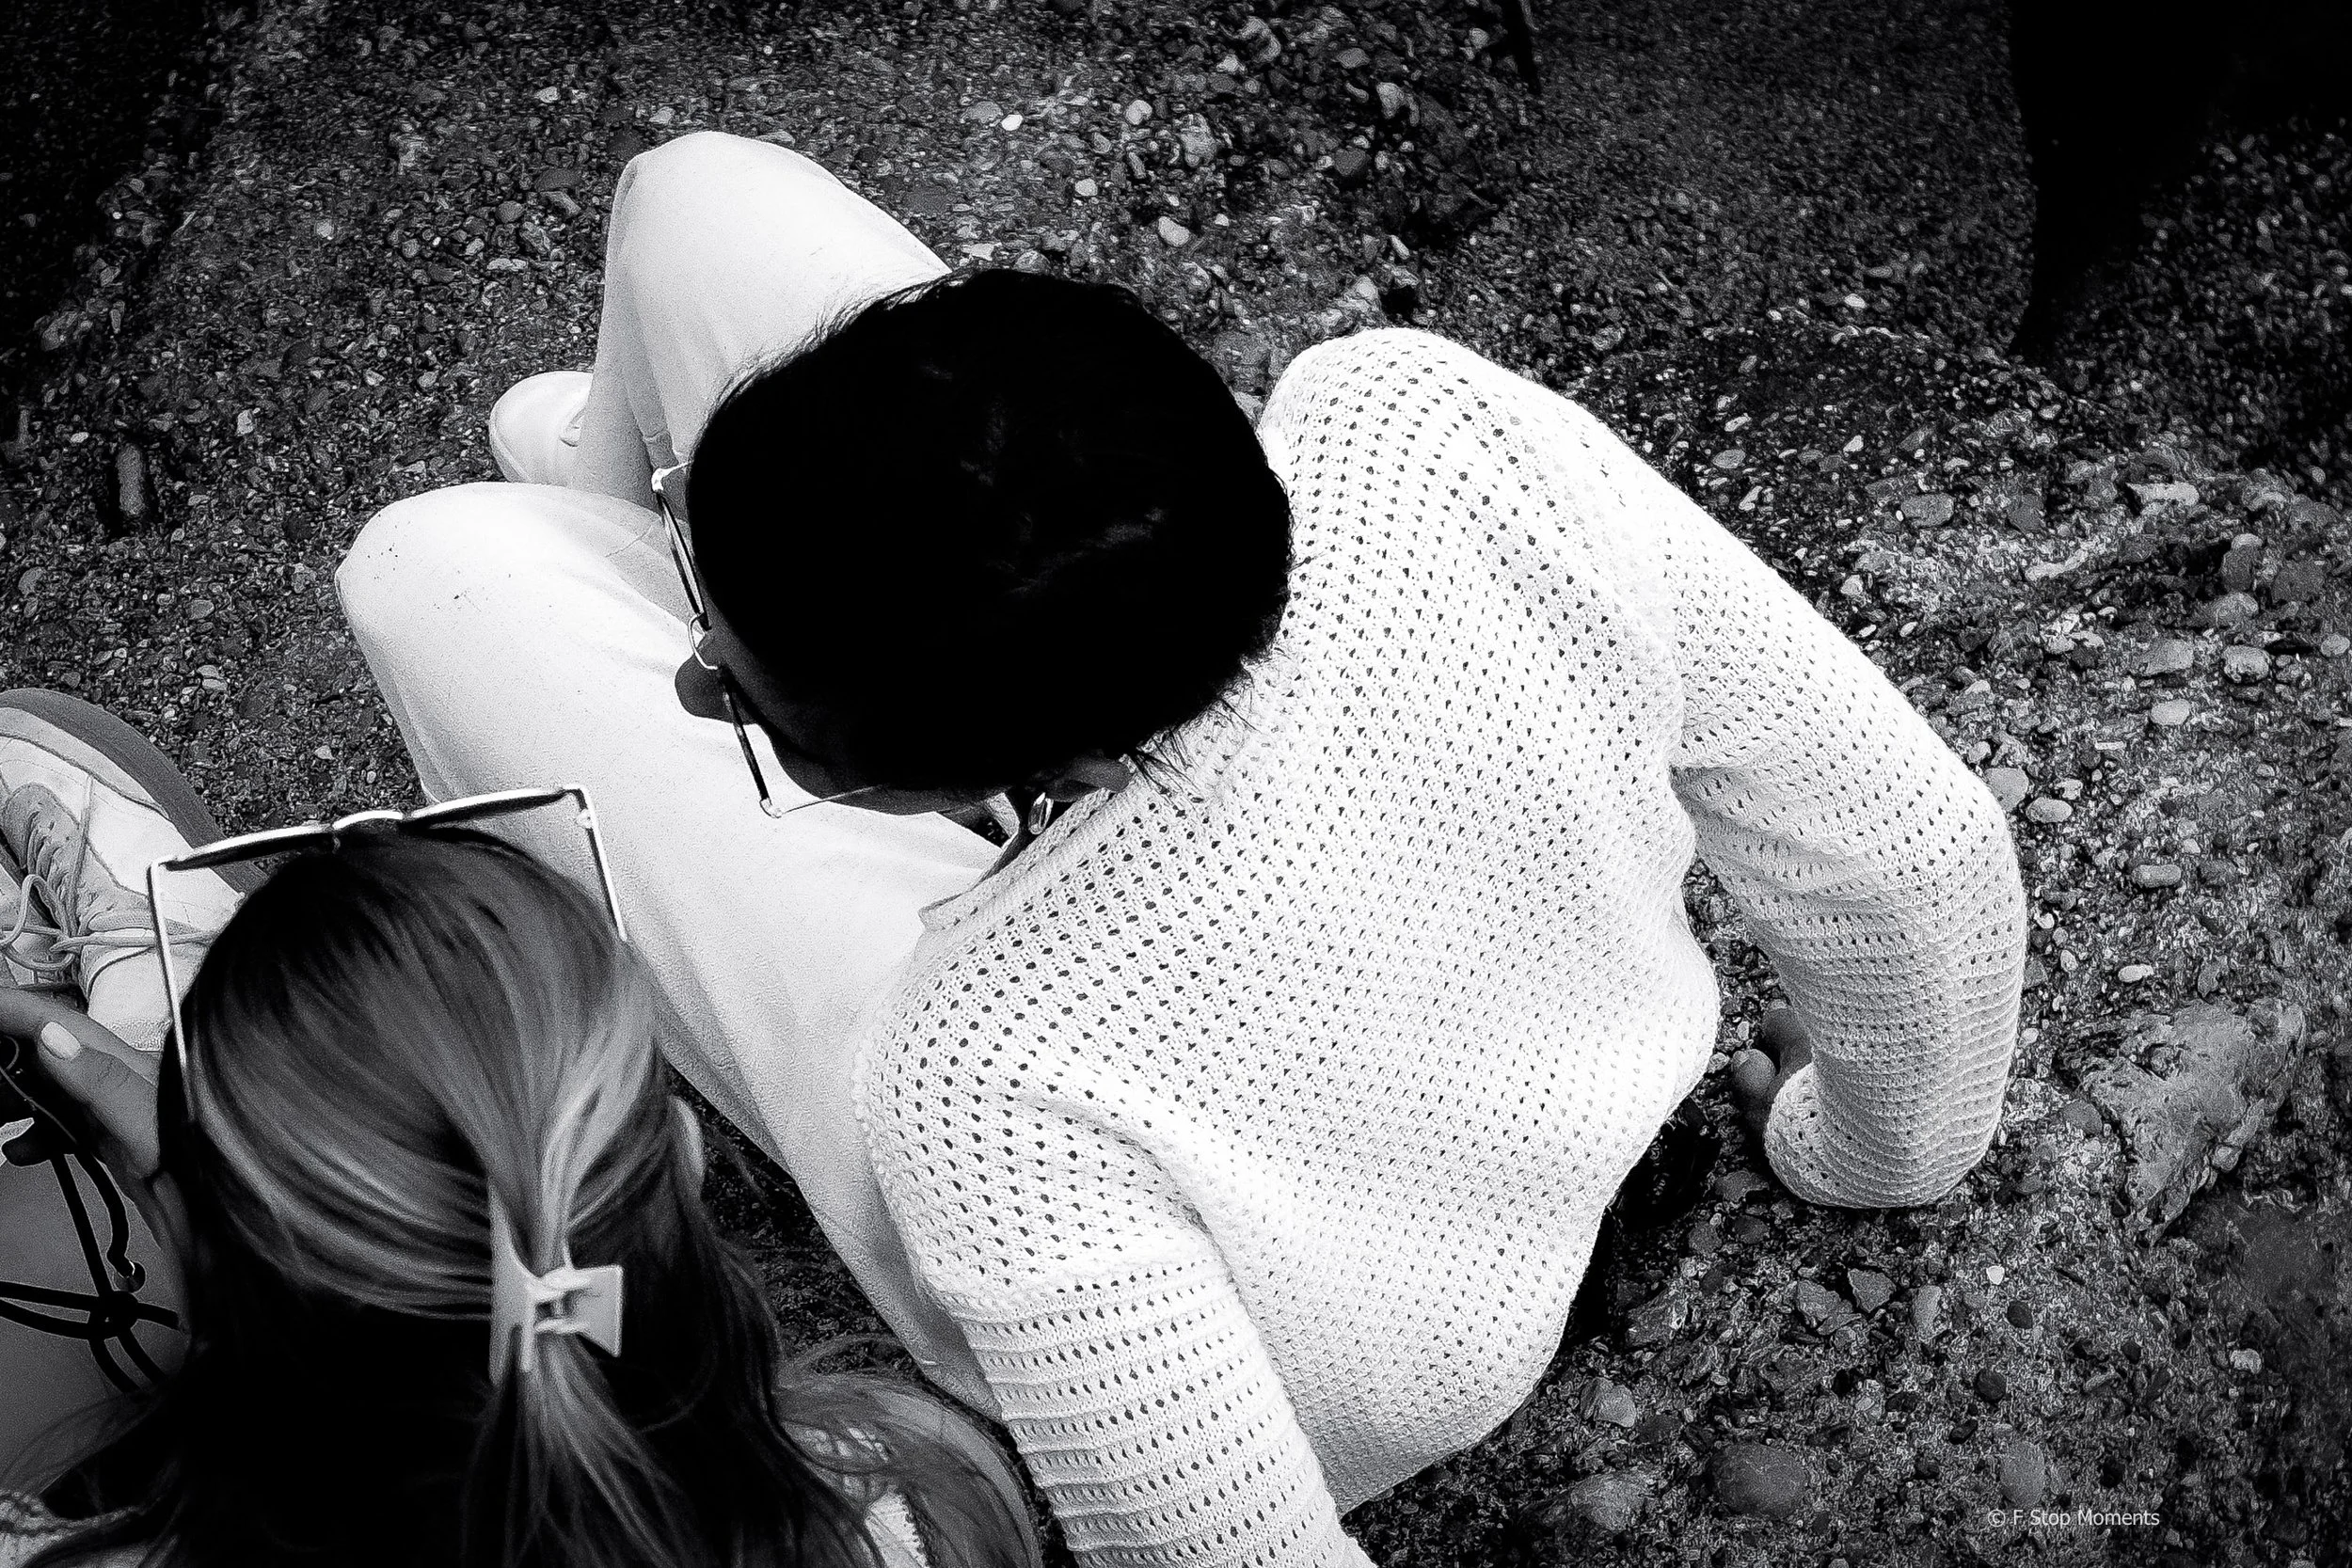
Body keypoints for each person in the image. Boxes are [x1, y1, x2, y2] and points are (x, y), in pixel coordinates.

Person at [339, 131, 2028, 1568]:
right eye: (723, 629)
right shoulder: (1429, 428)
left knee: (423, 569)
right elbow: (1913, 853)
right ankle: (621, 499)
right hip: (1495, 1010)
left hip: (1313, 1346)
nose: (707, 678)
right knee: (697, 187)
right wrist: (1877, 1146)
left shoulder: (985, 1078)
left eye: (752, 695)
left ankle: (589, 530)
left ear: (972, 770)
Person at [0, 692, 1039, 1568]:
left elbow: (524, 1308)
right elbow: (524, 1313)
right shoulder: (910, 1498)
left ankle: (155, 987)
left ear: (194, 1279)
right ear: (675, 1154)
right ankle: (158, 985)